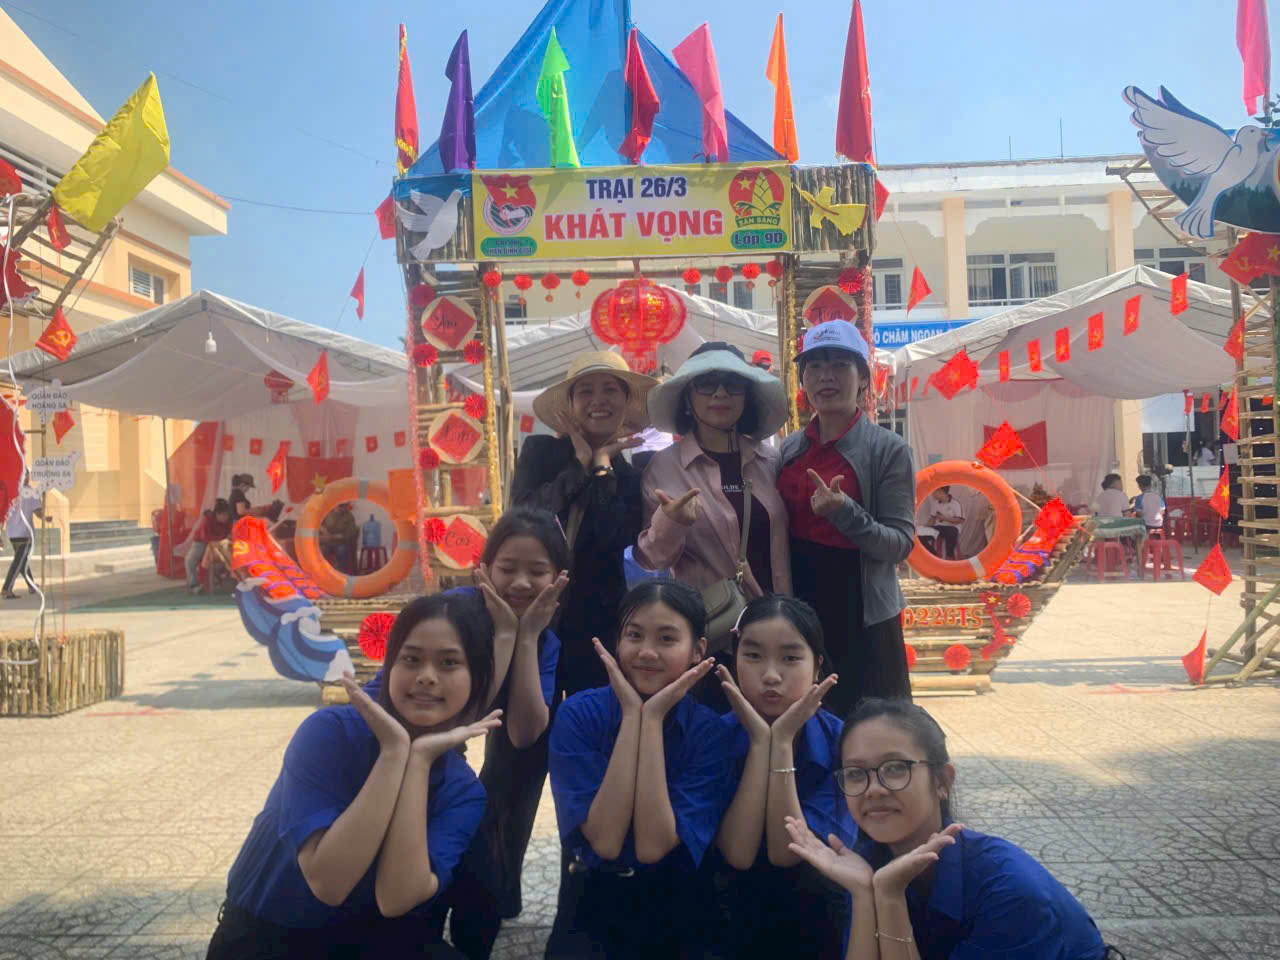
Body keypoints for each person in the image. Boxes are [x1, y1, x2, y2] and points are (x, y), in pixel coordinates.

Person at [206, 593, 503, 959]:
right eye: (411, 659)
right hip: (266, 938)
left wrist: (418, 762)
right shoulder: (329, 732)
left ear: (477, 678)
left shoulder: (462, 789)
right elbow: (328, 882)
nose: (426, 677)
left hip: (372, 939)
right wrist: (394, 753)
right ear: (390, 665)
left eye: (449, 663)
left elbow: (396, 898)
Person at [785, 698, 1112, 959]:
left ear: (942, 781)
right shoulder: (867, 866)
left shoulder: (1011, 891)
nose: (874, 789)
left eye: (895, 768)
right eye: (856, 773)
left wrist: (889, 898)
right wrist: (864, 893)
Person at [545, 580, 733, 960]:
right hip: (592, 895)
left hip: (678, 900)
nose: (647, 652)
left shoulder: (710, 732)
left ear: (698, 650)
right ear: (617, 641)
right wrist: (634, 716)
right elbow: (605, 842)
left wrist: (652, 720)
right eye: (634, 635)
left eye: (667, 639)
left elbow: (652, 846)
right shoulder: (579, 715)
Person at [426, 509, 570, 959]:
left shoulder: (545, 638)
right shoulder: (456, 613)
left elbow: (525, 733)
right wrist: (504, 634)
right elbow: (457, 718)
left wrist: (525, 638)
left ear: (558, 578)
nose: (521, 583)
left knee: (485, 880)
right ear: (484, 568)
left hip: (467, 769)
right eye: (507, 568)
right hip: (421, 757)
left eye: (537, 571)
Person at [777, 321, 915, 715]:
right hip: (800, 603)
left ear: (863, 379)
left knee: (872, 723)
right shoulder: (788, 449)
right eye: (814, 367)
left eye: (839, 365)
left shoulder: (888, 450)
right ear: (803, 380)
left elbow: (900, 545)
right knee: (805, 720)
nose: (826, 376)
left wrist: (845, 513)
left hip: (863, 608)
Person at [713, 596, 854, 960]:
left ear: (817, 665)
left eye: (790, 658)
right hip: (725, 914)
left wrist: (781, 743)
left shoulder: (845, 744)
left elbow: (785, 852)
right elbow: (738, 854)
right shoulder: (712, 736)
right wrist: (762, 743)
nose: (771, 675)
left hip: (819, 917)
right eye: (753, 655)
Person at [514, 350, 656, 698]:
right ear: (571, 403)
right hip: (534, 606)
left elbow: (614, 538)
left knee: (591, 716)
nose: (598, 400)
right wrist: (579, 465)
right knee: (529, 714)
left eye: (610, 390)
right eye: (586, 391)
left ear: (626, 401)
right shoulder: (540, 452)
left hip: (600, 623)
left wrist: (602, 466)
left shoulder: (633, 476)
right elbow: (524, 516)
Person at [635, 342, 792, 603]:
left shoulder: (771, 461)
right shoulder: (664, 468)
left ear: (747, 396)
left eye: (733, 384)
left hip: (778, 617)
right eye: (707, 383)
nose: (720, 393)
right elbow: (652, 560)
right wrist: (671, 523)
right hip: (713, 622)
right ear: (687, 397)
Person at [3, 481, 42, 599]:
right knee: (19, 562)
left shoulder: (10, 491)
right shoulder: (30, 492)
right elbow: (39, 512)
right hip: (25, 533)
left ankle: (31, 585)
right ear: (27, 477)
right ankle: (7, 588)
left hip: (12, 533)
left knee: (22, 561)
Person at [186, 498, 233, 594]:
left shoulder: (229, 520)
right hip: (201, 542)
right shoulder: (208, 518)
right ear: (217, 514)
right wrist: (222, 538)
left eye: (227, 514)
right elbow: (205, 536)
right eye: (224, 515)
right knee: (190, 560)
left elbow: (230, 534)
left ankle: (214, 579)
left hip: (219, 543)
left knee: (224, 559)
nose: (226, 517)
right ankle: (194, 585)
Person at [925, 486, 963, 560]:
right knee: (922, 534)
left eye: (934, 491)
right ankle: (930, 553)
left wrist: (944, 518)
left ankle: (950, 555)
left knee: (951, 531)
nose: (932, 494)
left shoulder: (955, 504)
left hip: (952, 528)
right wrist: (925, 528)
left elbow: (959, 520)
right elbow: (932, 518)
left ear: (940, 491)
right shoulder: (935, 503)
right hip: (939, 527)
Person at [321, 503, 360, 574]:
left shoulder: (349, 517)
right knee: (321, 550)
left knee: (341, 551)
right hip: (327, 542)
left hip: (341, 543)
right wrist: (324, 531)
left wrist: (332, 536)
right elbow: (319, 524)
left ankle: (342, 573)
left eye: (345, 506)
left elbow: (349, 534)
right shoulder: (327, 513)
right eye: (341, 506)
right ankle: (323, 572)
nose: (344, 508)